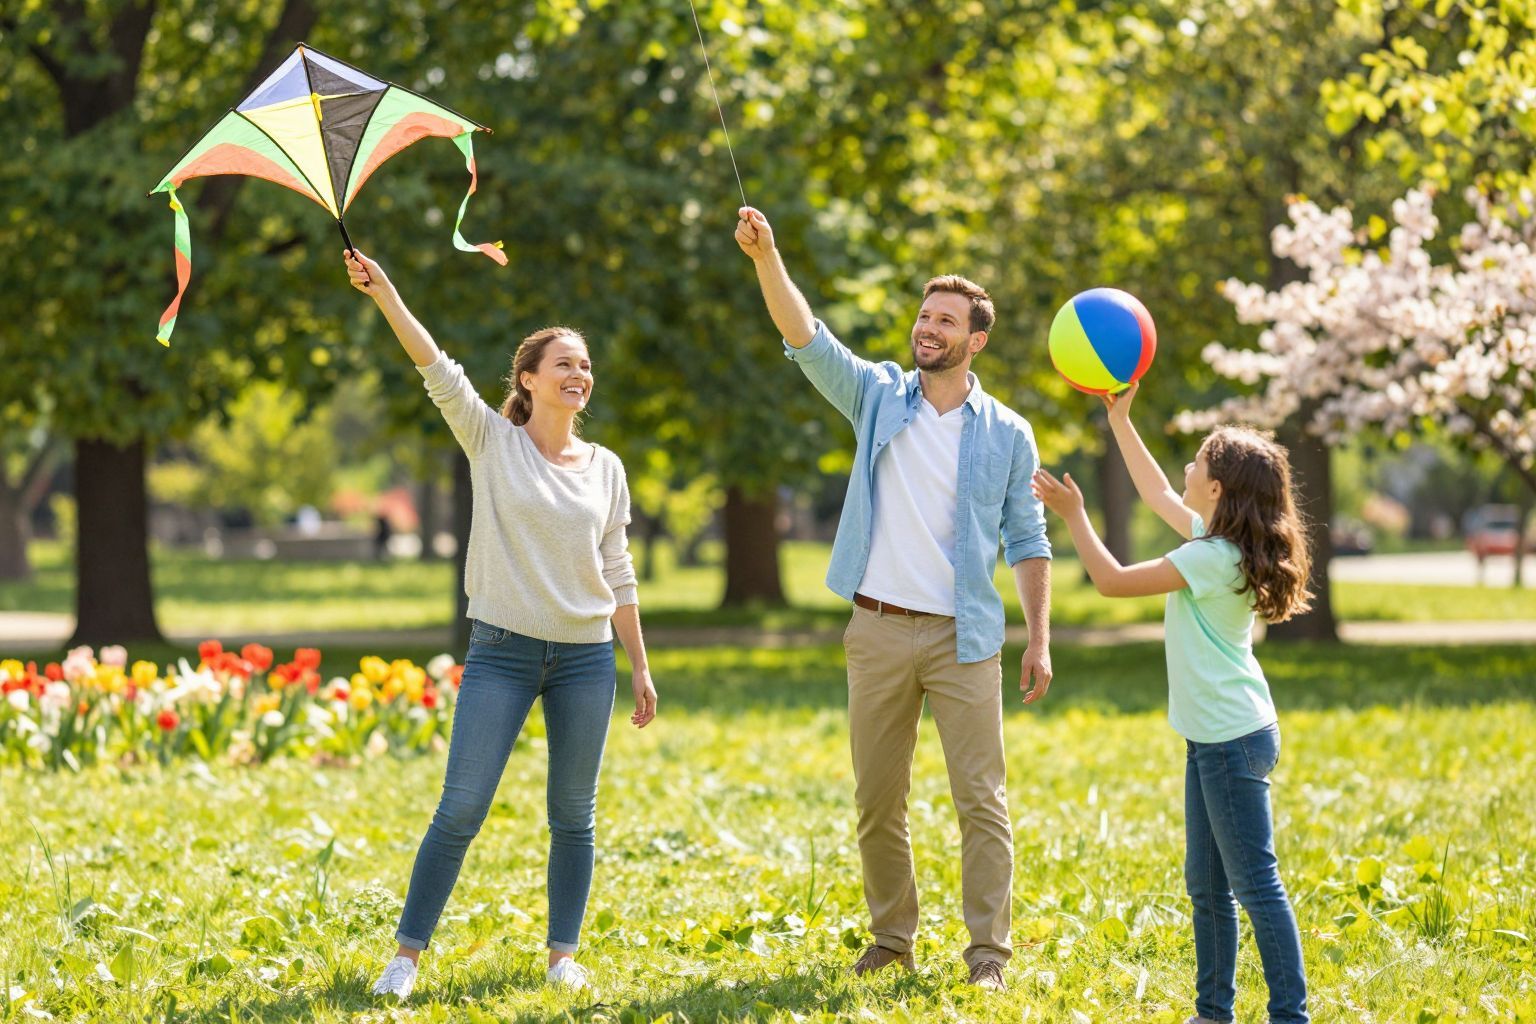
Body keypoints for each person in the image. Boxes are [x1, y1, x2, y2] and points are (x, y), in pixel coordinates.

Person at [734, 207, 1054, 992]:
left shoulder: (1007, 432)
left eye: (945, 320)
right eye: (923, 314)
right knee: (879, 799)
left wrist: (1039, 639)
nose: (927, 328)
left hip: (965, 637)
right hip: (876, 629)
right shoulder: (879, 395)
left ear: (975, 340)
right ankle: (892, 938)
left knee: (981, 802)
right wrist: (767, 256)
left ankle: (989, 955)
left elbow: (1030, 538)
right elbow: (807, 338)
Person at [342, 249, 658, 1000]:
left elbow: (618, 568)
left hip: (586, 659)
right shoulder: (492, 442)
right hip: (502, 653)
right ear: (528, 379)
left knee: (573, 814)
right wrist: (386, 289)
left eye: (585, 366)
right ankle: (405, 959)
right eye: (563, 364)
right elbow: (435, 365)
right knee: (461, 806)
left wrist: (638, 663)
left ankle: (562, 957)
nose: (578, 374)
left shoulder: (605, 466)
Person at [1031, 382, 1312, 1024]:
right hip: (1217, 734)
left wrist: (1074, 515)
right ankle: (1213, 1013)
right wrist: (1120, 420)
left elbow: (1109, 583)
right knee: (1208, 888)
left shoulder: (1212, 557)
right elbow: (1155, 490)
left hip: (1229, 740)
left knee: (1254, 887)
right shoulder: (1219, 540)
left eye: (1198, 462)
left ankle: (1289, 1016)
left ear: (1217, 488)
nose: (1187, 468)